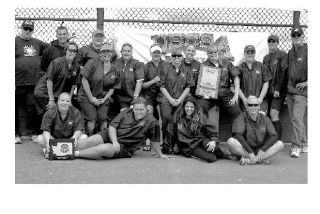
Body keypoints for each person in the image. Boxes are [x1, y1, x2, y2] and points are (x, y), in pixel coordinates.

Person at [72, 97, 169, 160]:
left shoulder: (152, 121)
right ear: (132, 108)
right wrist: (114, 141)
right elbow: (112, 127)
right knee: (89, 141)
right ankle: (60, 149)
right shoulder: (125, 112)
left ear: (146, 109)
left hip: (125, 147)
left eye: (142, 109)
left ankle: (74, 154)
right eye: (136, 109)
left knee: (102, 149)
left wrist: (160, 154)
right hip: (111, 136)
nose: (139, 112)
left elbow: (154, 140)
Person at [167, 96, 234, 163]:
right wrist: (166, 149)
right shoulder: (177, 117)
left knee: (214, 148)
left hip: (201, 140)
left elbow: (210, 129)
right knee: (211, 158)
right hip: (189, 146)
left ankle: (223, 155)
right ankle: (204, 153)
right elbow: (170, 132)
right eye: (187, 106)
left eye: (191, 107)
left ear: (195, 107)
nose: (189, 109)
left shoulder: (200, 115)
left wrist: (214, 141)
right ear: (183, 107)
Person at [15, 20, 49, 144]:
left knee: (32, 108)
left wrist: (64, 42)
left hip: (32, 82)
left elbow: (51, 48)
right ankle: (15, 134)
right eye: (26, 29)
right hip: (17, 82)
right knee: (14, 108)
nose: (28, 31)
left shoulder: (37, 42)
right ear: (21, 28)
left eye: (30, 29)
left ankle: (33, 132)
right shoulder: (15, 41)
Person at [227, 96, 284, 165]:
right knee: (231, 141)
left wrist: (262, 150)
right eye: (250, 105)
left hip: (261, 149)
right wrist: (250, 152)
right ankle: (260, 159)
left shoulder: (265, 118)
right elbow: (238, 135)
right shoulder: (241, 117)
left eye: (255, 105)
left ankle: (251, 161)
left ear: (259, 107)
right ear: (246, 107)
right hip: (246, 149)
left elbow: (274, 136)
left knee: (280, 144)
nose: (253, 107)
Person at [77, 44, 120, 136]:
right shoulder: (92, 63)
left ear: (112, 53)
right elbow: (84, 80)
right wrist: (91, 98)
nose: (106, 53)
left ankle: (101, 138)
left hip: (103, 99)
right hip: (86, 97)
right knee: (92, 118)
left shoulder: (115, 69)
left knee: (103, 118)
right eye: (103, 51)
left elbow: (113, 88)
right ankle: (90, 138)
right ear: (100, 54)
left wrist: (104, 99)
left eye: (108, 51)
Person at [157, 49, 194, 154]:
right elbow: (161, 85)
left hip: (180, 99)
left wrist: (180, 99)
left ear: (182, 57)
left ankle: (176, 144)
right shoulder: (164, 67)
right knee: (166, 118)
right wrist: (171, 99)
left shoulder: (186, 69)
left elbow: (188, 86)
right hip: (166, 98)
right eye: (174, 56)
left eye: (178, 56)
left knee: (178, 120)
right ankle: (165, 145)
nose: (176, 58)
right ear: (171, 57)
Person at [197, 44, 241, 127]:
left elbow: (236, 78)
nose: (213, 54)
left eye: (215, 52)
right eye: (211, 53)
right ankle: (202, 133)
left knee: (236, 111)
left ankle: (237, 134)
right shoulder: (204, 65)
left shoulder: (226, 63)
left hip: (225, 94)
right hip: (209, 97)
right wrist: (203, 93)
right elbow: (201, 83)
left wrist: (236, 95)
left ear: (218, 52)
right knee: (199, 107)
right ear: (207, 54)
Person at [34, 42, 80, 116]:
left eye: (74, 51)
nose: (72, 52)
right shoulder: (57, 62)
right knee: (53, 113)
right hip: (44, 93)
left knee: (58, 113)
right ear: (66, 51)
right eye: (70, 50)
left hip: (57, 93)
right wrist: (51, 99)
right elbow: (49, 80)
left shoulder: (76, 66)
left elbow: (73, 85)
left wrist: (69, 100)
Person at [37, 93, 87, 158]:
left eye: (67, 101)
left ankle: (53, 151)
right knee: (40, 139)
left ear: (70, 103)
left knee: (84, 137)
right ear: (58, 101)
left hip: (70, 140)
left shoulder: (75, 112)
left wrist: (75, 137)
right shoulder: (50, 112)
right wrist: (48, 142)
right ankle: (65, 151)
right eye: (62, 100)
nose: (65, 103)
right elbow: (46, 130)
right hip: (55, 140)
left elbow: (79, 129)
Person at [287, 26, 308, 158]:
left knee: (296, 118)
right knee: (295, 119)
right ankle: (305, 143)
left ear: (303, 36)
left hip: (301, 91)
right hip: (290, 90)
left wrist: (307, 83)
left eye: (298, 35)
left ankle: (296, 146)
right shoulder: (290, 52)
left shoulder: (309, 50)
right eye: (294, 36)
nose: (296, 38)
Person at [263, 35, 288, 140]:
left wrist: (278, 89)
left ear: (278, 43)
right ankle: (270, 140)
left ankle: (278, 141)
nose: (271, 43)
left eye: (274, 41)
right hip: (268, 91)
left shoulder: (282, 55)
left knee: (274, 115)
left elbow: (284, 72)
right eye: (270, 41)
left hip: (278, 92)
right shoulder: (266, 58)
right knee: (266, 116)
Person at [238, 45, 272, 113]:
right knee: (247, 121)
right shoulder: (240, 67)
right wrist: (245, 101)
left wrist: (260, 99)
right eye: (248, 53)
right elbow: (237, 86)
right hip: (245, 101)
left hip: (260, 101)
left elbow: (266, 83)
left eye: (252, 53)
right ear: (244, 54)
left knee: (261, 120)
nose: (250, 55)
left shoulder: (261, 66)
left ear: (255, 54)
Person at [113, 43, 144, 110]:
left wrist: (135, 100)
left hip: (133, 96)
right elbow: (112, 79)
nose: (126, 53)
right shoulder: (116, 63)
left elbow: (140, 82)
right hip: (120, 97)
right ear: (121, 52)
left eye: (128, 51)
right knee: (124, 114)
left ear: (132, 52)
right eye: (124, 51)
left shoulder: (137, 63)